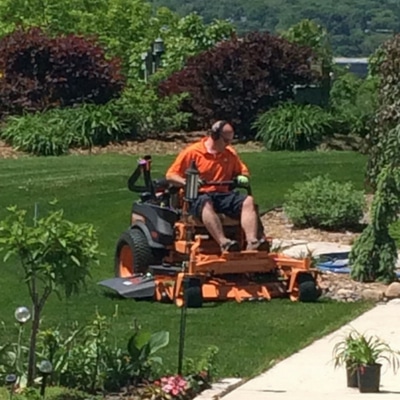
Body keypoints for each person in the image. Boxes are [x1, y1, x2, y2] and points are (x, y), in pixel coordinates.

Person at [165, 120, 268, 252]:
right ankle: (224, 242)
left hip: (223, 195)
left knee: (248, 201)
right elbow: (170, 175)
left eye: (230, 141)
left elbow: (242, 172)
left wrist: (242, 177)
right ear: (214, 136)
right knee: (206, 203)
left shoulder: (229, 153)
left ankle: (252, 242)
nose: (228, 144)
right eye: (226, 141)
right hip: (198, 196)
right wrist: (187, 182)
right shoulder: (192, 153)